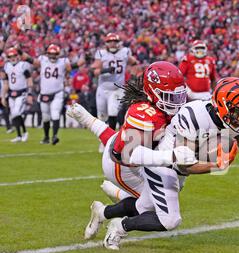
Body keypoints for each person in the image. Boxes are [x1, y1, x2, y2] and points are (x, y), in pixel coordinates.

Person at [70, 77, 239, 250]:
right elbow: (182, 165)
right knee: (169, 220)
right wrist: (215, 166)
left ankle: (103, 213)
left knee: (143, 206)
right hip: (163, 166)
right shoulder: (193, 116)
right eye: (238, 112)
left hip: (178, 165)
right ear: (223, 105)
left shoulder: (227, 117)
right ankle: (120, 226)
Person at [67, 61, 188, 238]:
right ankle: (116, 197)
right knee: (153, 202)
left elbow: (115, 138)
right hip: (122, 165)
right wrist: (170, 157)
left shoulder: (157, 111)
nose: (176, 103)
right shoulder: (144, 115)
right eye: (169, 97)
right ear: (153, 93)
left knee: (164, 188)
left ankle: (102, 213)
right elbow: (128, 154)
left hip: (127, 150)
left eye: (178, 96)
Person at [91, 32, 138, 133]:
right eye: (110, 41)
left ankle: (110, 138)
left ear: (118, 43)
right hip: (103, 88)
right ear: (106, 43)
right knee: (102, 116)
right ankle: (103, 137)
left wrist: (133, 77)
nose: (112, 44)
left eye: (115, 41)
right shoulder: (101, 53)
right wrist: (106, 70)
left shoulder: (125, 52)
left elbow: (134, 63)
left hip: (117, 88)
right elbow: (94, 71)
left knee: (113, 112)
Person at [31, 44, 72, 145]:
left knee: (55, 113)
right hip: (44, 93)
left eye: (55, 54)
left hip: (57, 92)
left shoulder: (63, 61)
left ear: (58, 54)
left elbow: (69, 69)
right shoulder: (42, 59)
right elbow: (34, 63)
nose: (53, 56)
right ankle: (46, 137)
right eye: (51, 54)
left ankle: (54, 136)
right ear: (47, 54)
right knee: (45, 117)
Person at [1, 47, 33, 143]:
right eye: (10, 56)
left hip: (22, 92)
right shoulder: (7, 67)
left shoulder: (23, 65)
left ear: (18, 56)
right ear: (8, 57)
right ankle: (19, 136)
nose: (13, 58)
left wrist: (29, 93)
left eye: (14, 55)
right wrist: (3, 96)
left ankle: (25, 133)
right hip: (11, 93)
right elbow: (6, 83)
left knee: (16, 113)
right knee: (14, 115)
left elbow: (29, 80)